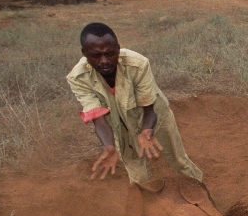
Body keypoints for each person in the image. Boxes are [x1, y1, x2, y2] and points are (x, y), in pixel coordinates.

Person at [67, 22, 203, 183]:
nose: (104, 61)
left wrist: (146, 130)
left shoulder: (138, 64)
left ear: (118, 48)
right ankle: (145, 206)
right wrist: (109, 145)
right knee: (137, 178)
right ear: (85, 53)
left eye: (110, 53)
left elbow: (149, 107)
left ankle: (203, 200)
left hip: (155, 118)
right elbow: (98, 118)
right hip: (119, 127)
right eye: (96, 55)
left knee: (180, 162)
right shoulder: (78, 77)